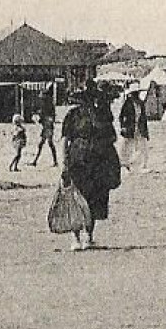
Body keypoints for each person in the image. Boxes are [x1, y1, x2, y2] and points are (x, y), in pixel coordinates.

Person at [60, 82, 122, 250]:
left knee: (87, 197)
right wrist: (65, 164)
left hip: (88, 160)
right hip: (85, 160)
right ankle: (82, 237)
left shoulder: (93, 115)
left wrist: (65, 163)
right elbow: (66, 140)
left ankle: (82, 238)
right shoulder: (91, 115)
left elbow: (66, 140)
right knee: (82, 198)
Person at [117, 88, 151, 172]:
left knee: (142, 147)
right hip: (130, 127)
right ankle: (125, 163)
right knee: (127, 146)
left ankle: (142, 165)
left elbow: (143, 119)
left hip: (139, 128)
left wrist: (146, 133)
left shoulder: (141, 103)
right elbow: (121, 116)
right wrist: (123, 126)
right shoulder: (127, 103)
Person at [32, 101, 58, 167]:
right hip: (47, 128)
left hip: (48, 128)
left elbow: (47, 120)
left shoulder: (46, 110)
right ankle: (35, 161)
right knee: (44, 144)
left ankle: (55, 161)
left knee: (48, 144)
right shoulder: (48, 109)